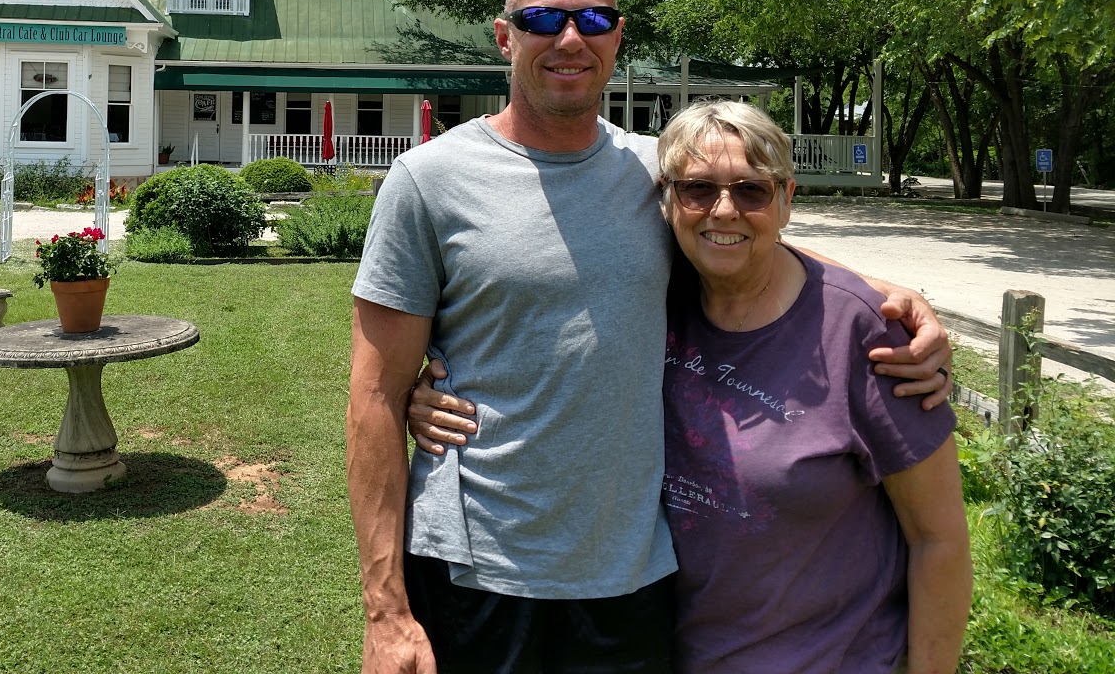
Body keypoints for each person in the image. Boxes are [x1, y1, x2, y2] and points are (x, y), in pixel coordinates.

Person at [348, 0, 952, 674]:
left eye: (593, 19)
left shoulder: (655, 175)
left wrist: (894, 296)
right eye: (544, 18)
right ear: (506, 37)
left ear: (617, 36)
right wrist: (386, 611)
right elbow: (375, 397)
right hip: (477, 574)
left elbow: (744, 236)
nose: (570, 38)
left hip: (633, 578)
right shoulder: (429, 181)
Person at [414, 100, 972, 672]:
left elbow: (940, 540)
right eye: (698, 190)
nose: (723, 209)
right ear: (668, 204)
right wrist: (434, 392)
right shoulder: (659, 300)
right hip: (660, 644)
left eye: (751, 191)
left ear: (786, 198)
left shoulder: (865, 335)